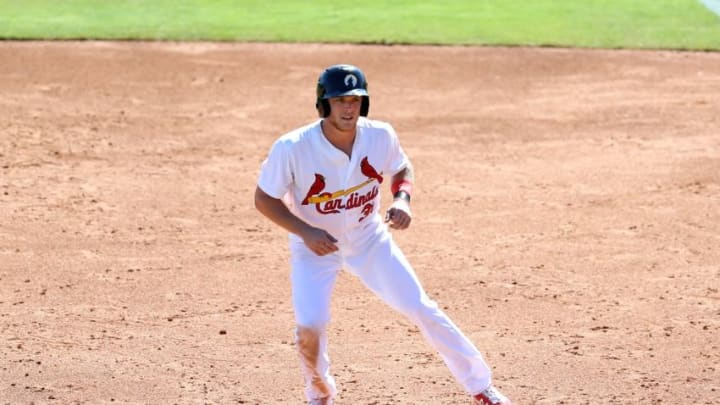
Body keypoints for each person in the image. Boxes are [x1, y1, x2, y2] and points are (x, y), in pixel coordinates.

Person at [254, 64, 512, 405]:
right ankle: (320, 396)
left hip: (368, 238)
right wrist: (305, 231)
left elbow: (402, 167)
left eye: (356, 100)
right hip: (314, 247)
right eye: (340, 100)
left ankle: (481, 386)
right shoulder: (293, 147)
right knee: (310, 326)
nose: (349, 108)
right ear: (324, 103)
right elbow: (263, 199)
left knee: (421, 308)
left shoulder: (380, 135)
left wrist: (402, 199)